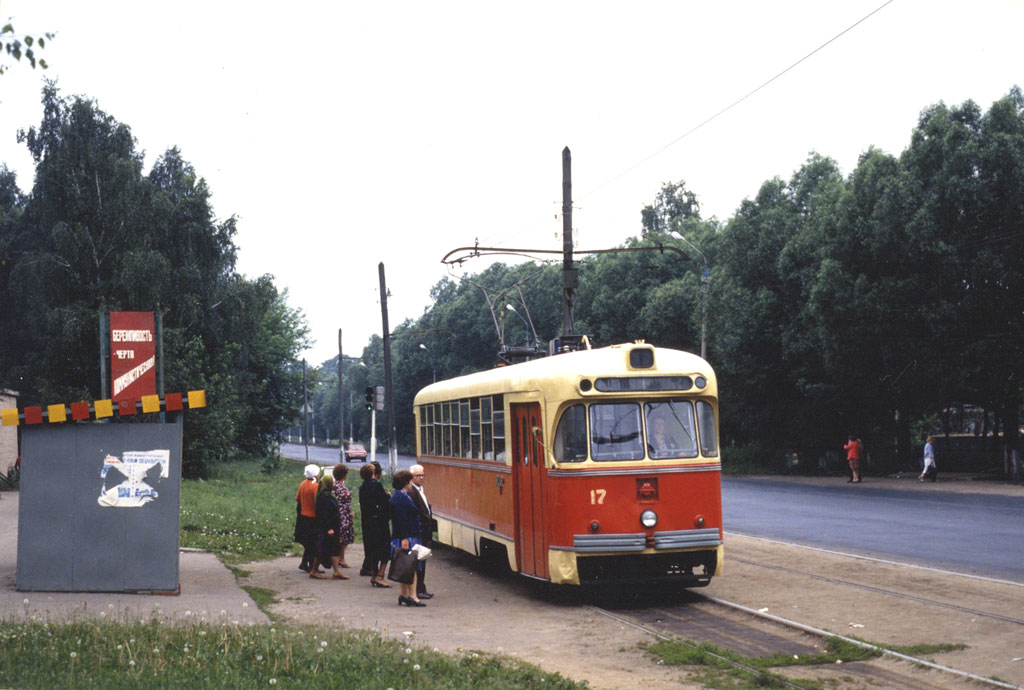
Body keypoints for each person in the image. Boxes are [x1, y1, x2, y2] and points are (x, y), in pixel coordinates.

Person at [389, 469, 425, 606]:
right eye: (410, 481)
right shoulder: (402, 499)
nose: (411, 483)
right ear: (406, 483)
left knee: (404, 566)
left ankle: (403, 594)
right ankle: (413, 596)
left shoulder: (399, 496)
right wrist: (404, 539)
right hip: (407, 537)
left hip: (404, 536)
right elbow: (401, 520)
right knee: (411, 567)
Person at [358, 462, 392, 588]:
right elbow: (384, 503)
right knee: (384, 550)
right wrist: (387, 496)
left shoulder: (362, 487)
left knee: (372, 549)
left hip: (367, 522)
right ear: (373, 473)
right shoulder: (376, 485)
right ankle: (380, 576)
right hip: (379, 522)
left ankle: (373, 574)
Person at [311, 473, 348, 580]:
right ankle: (314, 571)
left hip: (332, 527)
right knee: (324, 549)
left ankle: (336, 571)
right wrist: (329, 528)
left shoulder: (324, 495)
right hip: (329, 528)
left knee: (332, 549)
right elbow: (324, 515)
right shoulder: (325, 498)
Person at [408, 464, 434, 599]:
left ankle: (421, 587)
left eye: (423, 475)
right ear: (411, 477)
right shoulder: (412, 492)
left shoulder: (420, 489)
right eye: (418, 476)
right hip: (419, 531)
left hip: (424, 531)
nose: (421, 478)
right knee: (419, 562)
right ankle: (419, 590)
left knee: (422, 561)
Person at [294, 464, 320, 573]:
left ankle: (304, 563)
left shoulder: (303, 484)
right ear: (315, 474)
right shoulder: (316, 486)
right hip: (313, 517)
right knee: (313, 543)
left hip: (303, 516)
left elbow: (297, 498)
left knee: (309, 542)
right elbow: (317, 502)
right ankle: (311, 566)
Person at [331, 463, 355, 568]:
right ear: (344, 474)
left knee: (344, 536)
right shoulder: (339, 486)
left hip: (344, 513)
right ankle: (340, 558)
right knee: (343, 536)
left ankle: (341, 558)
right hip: (342, 513)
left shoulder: (335, 485)